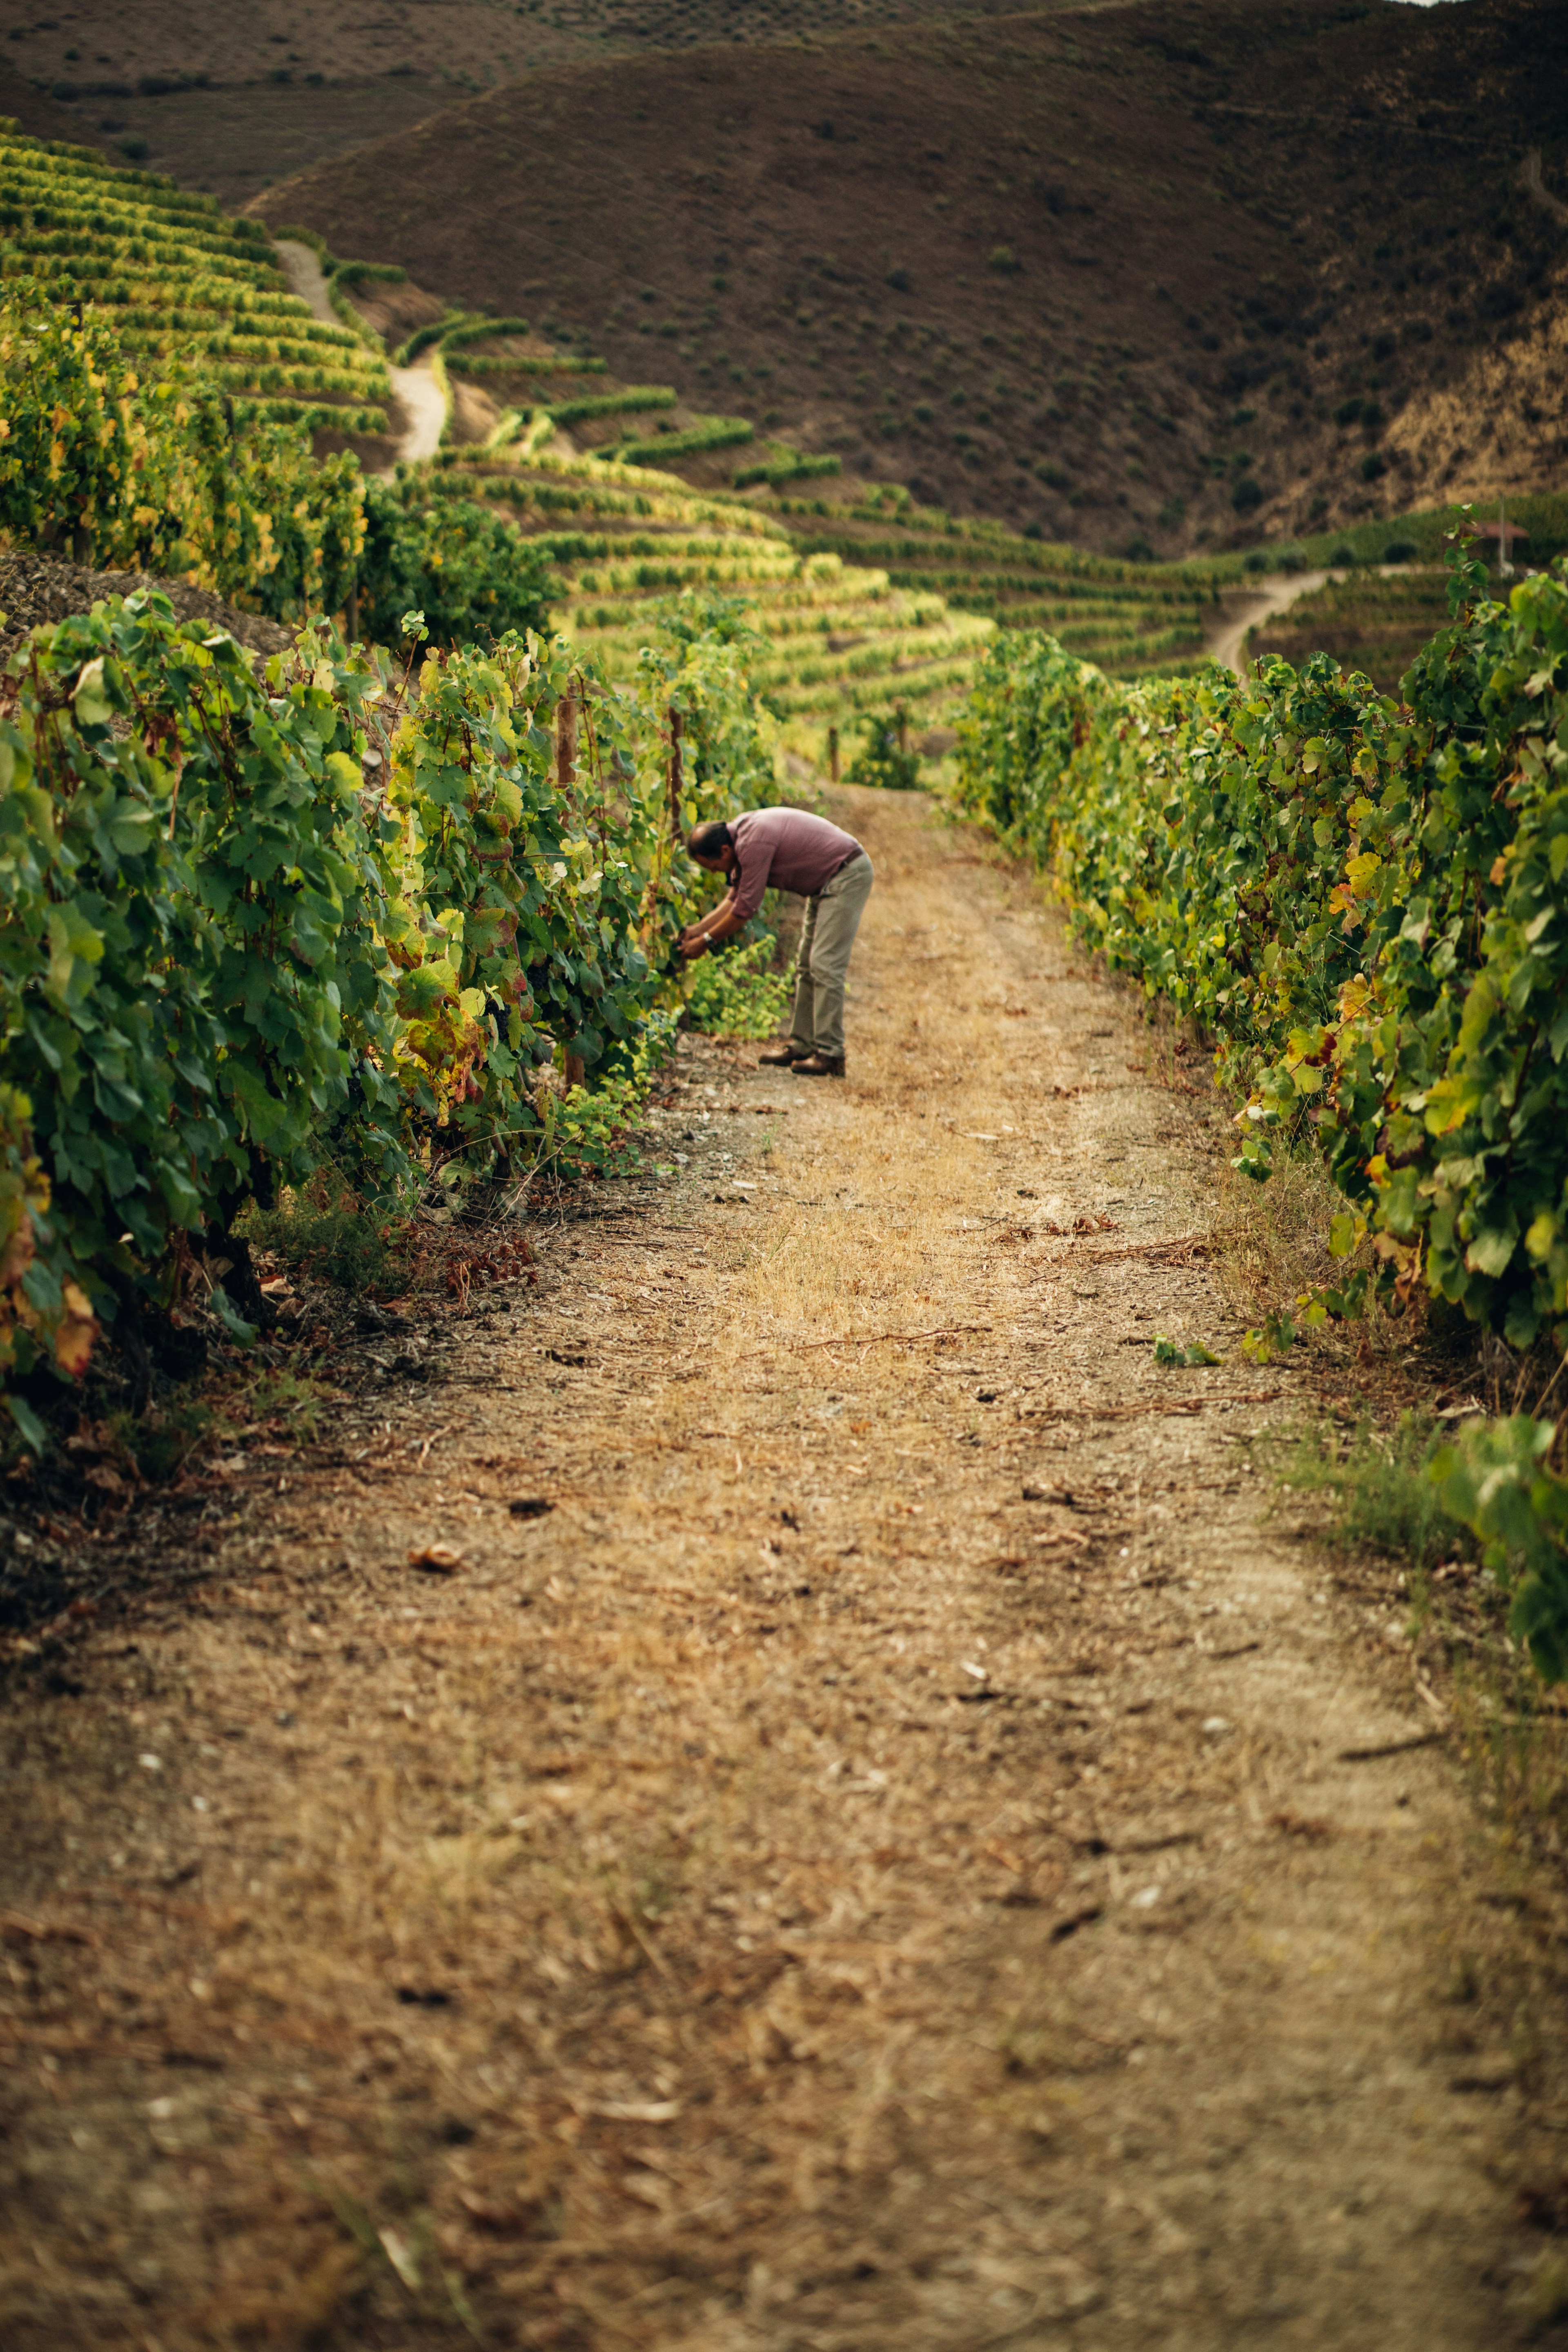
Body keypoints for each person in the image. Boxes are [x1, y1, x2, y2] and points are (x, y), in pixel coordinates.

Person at [681, 806, 873, 1077]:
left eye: (713, 867)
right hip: (826, 883)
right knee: (807, 965)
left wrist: (706, 941)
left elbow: (745, 908)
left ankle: (831, 1055)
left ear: (724, 851)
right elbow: (735, 896)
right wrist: (696, 931)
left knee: (824, 965)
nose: (714, 873)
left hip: (846, 875)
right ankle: (803, 1046)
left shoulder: (753, 842)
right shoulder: (742, 836)